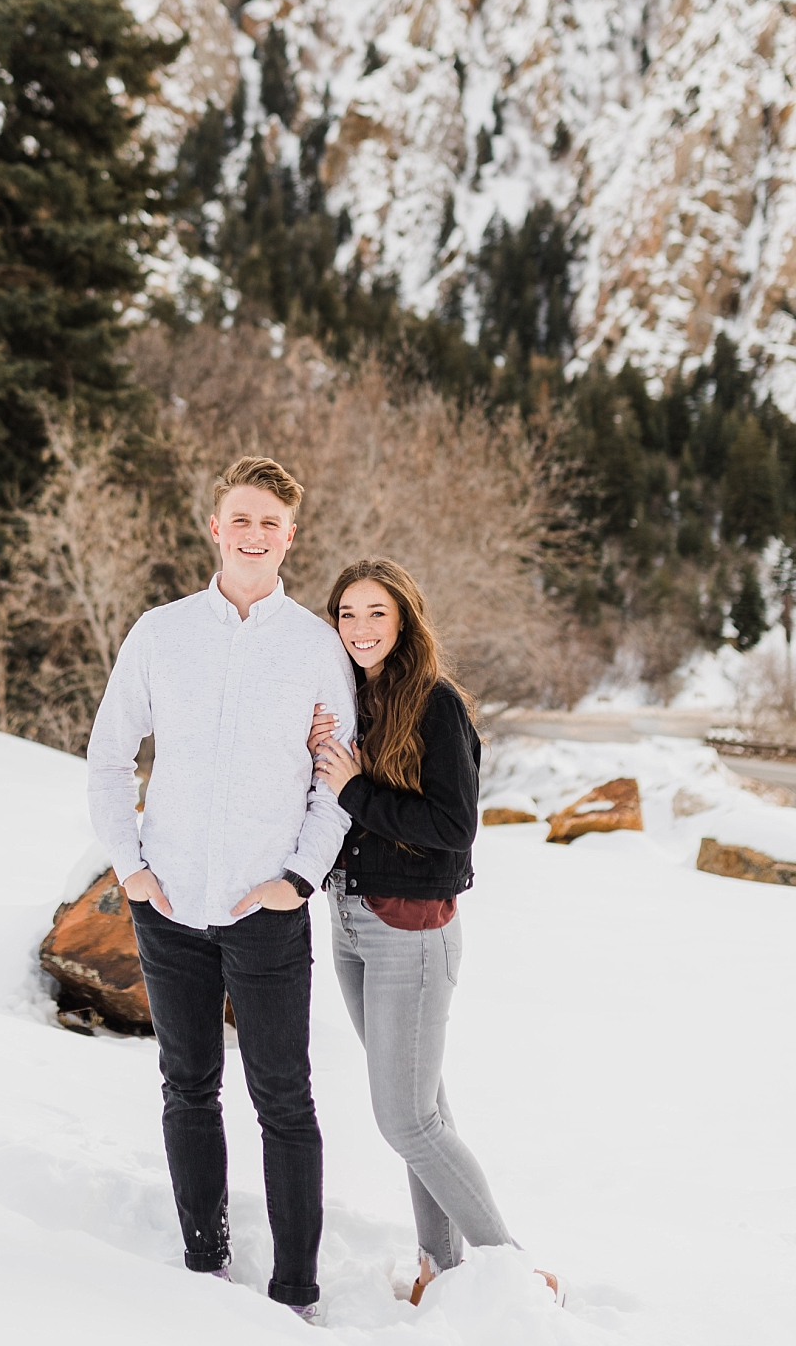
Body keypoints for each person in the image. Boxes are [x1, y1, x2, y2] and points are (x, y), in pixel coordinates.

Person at [86, 456, 357, 1320]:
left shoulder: (317, 647)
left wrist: (297, 880)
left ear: (290, 536)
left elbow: (335, 784)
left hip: (264, 911)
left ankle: (296, 1292)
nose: (254, 535)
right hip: (169, 905)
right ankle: (206, 1266)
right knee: (187, 1084)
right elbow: (107, 756)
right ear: (215, 527)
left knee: (284, 1096)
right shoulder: (161, 633)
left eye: (270, 523)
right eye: (241, 519)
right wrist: (131, 868)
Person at [307, 558, 561, 1307]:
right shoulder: (353, 699)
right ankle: (440, 1271)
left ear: (405, 620)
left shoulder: (435, 704)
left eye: (376, 613)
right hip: (350, 920)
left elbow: (453, 829)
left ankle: (511, 1271)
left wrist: (354, 789)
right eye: (347, 614)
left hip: (408, 928)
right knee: (424, 1109)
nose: (360, 628)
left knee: (407, 1119)